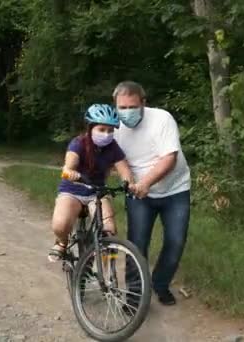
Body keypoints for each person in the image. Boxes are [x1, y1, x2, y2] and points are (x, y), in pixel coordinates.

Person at [112, 80, 191, 305]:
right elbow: (120, 160)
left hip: (175, 190)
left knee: (176, 241)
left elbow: (169, 158)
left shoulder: (162, 119)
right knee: (136, 243)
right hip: (138, 195)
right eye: (123, 108)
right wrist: (130, 183)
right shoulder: (115, 126)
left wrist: (145, 183)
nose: (127, 112)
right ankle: (135, 295)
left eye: (132, 107)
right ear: (116, 106)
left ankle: (160, 284)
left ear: (143, 103)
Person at [48, 103, 133, 262]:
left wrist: (130, 184)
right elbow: (69, 164)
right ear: (90, 128)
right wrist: (70, 171)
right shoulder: (78, 143)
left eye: (110, 130)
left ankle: (107, 274)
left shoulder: (113, 147)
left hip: (98, 192)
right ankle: (62, 243)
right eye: (101, 129)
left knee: (109, 231)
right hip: (73, 190)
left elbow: (124, 169)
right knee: (60, 225)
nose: (106, 134)